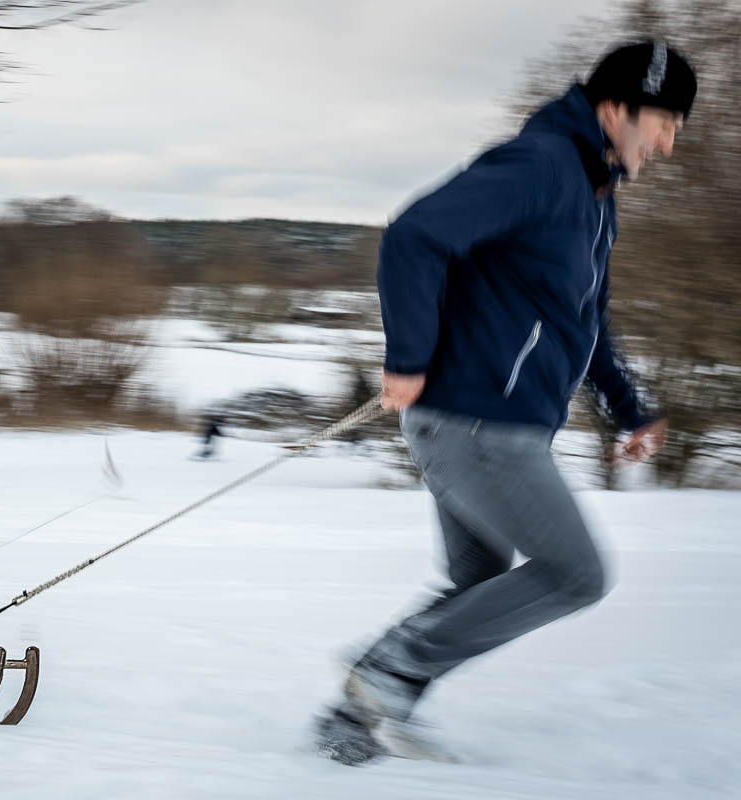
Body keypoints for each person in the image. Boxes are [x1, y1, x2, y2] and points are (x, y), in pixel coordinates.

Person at [316, 40, 696, 765]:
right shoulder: (542, 165)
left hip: (486, 422)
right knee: (576, 573)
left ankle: (352, 718)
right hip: (478, 420)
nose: (670, 144)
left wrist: (630, 408)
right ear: (616, 109)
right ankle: (387, 671)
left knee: (480, 581)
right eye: (665, 123)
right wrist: (408, 360)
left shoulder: (594, 195)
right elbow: (415, 236)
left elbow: (587, 320)